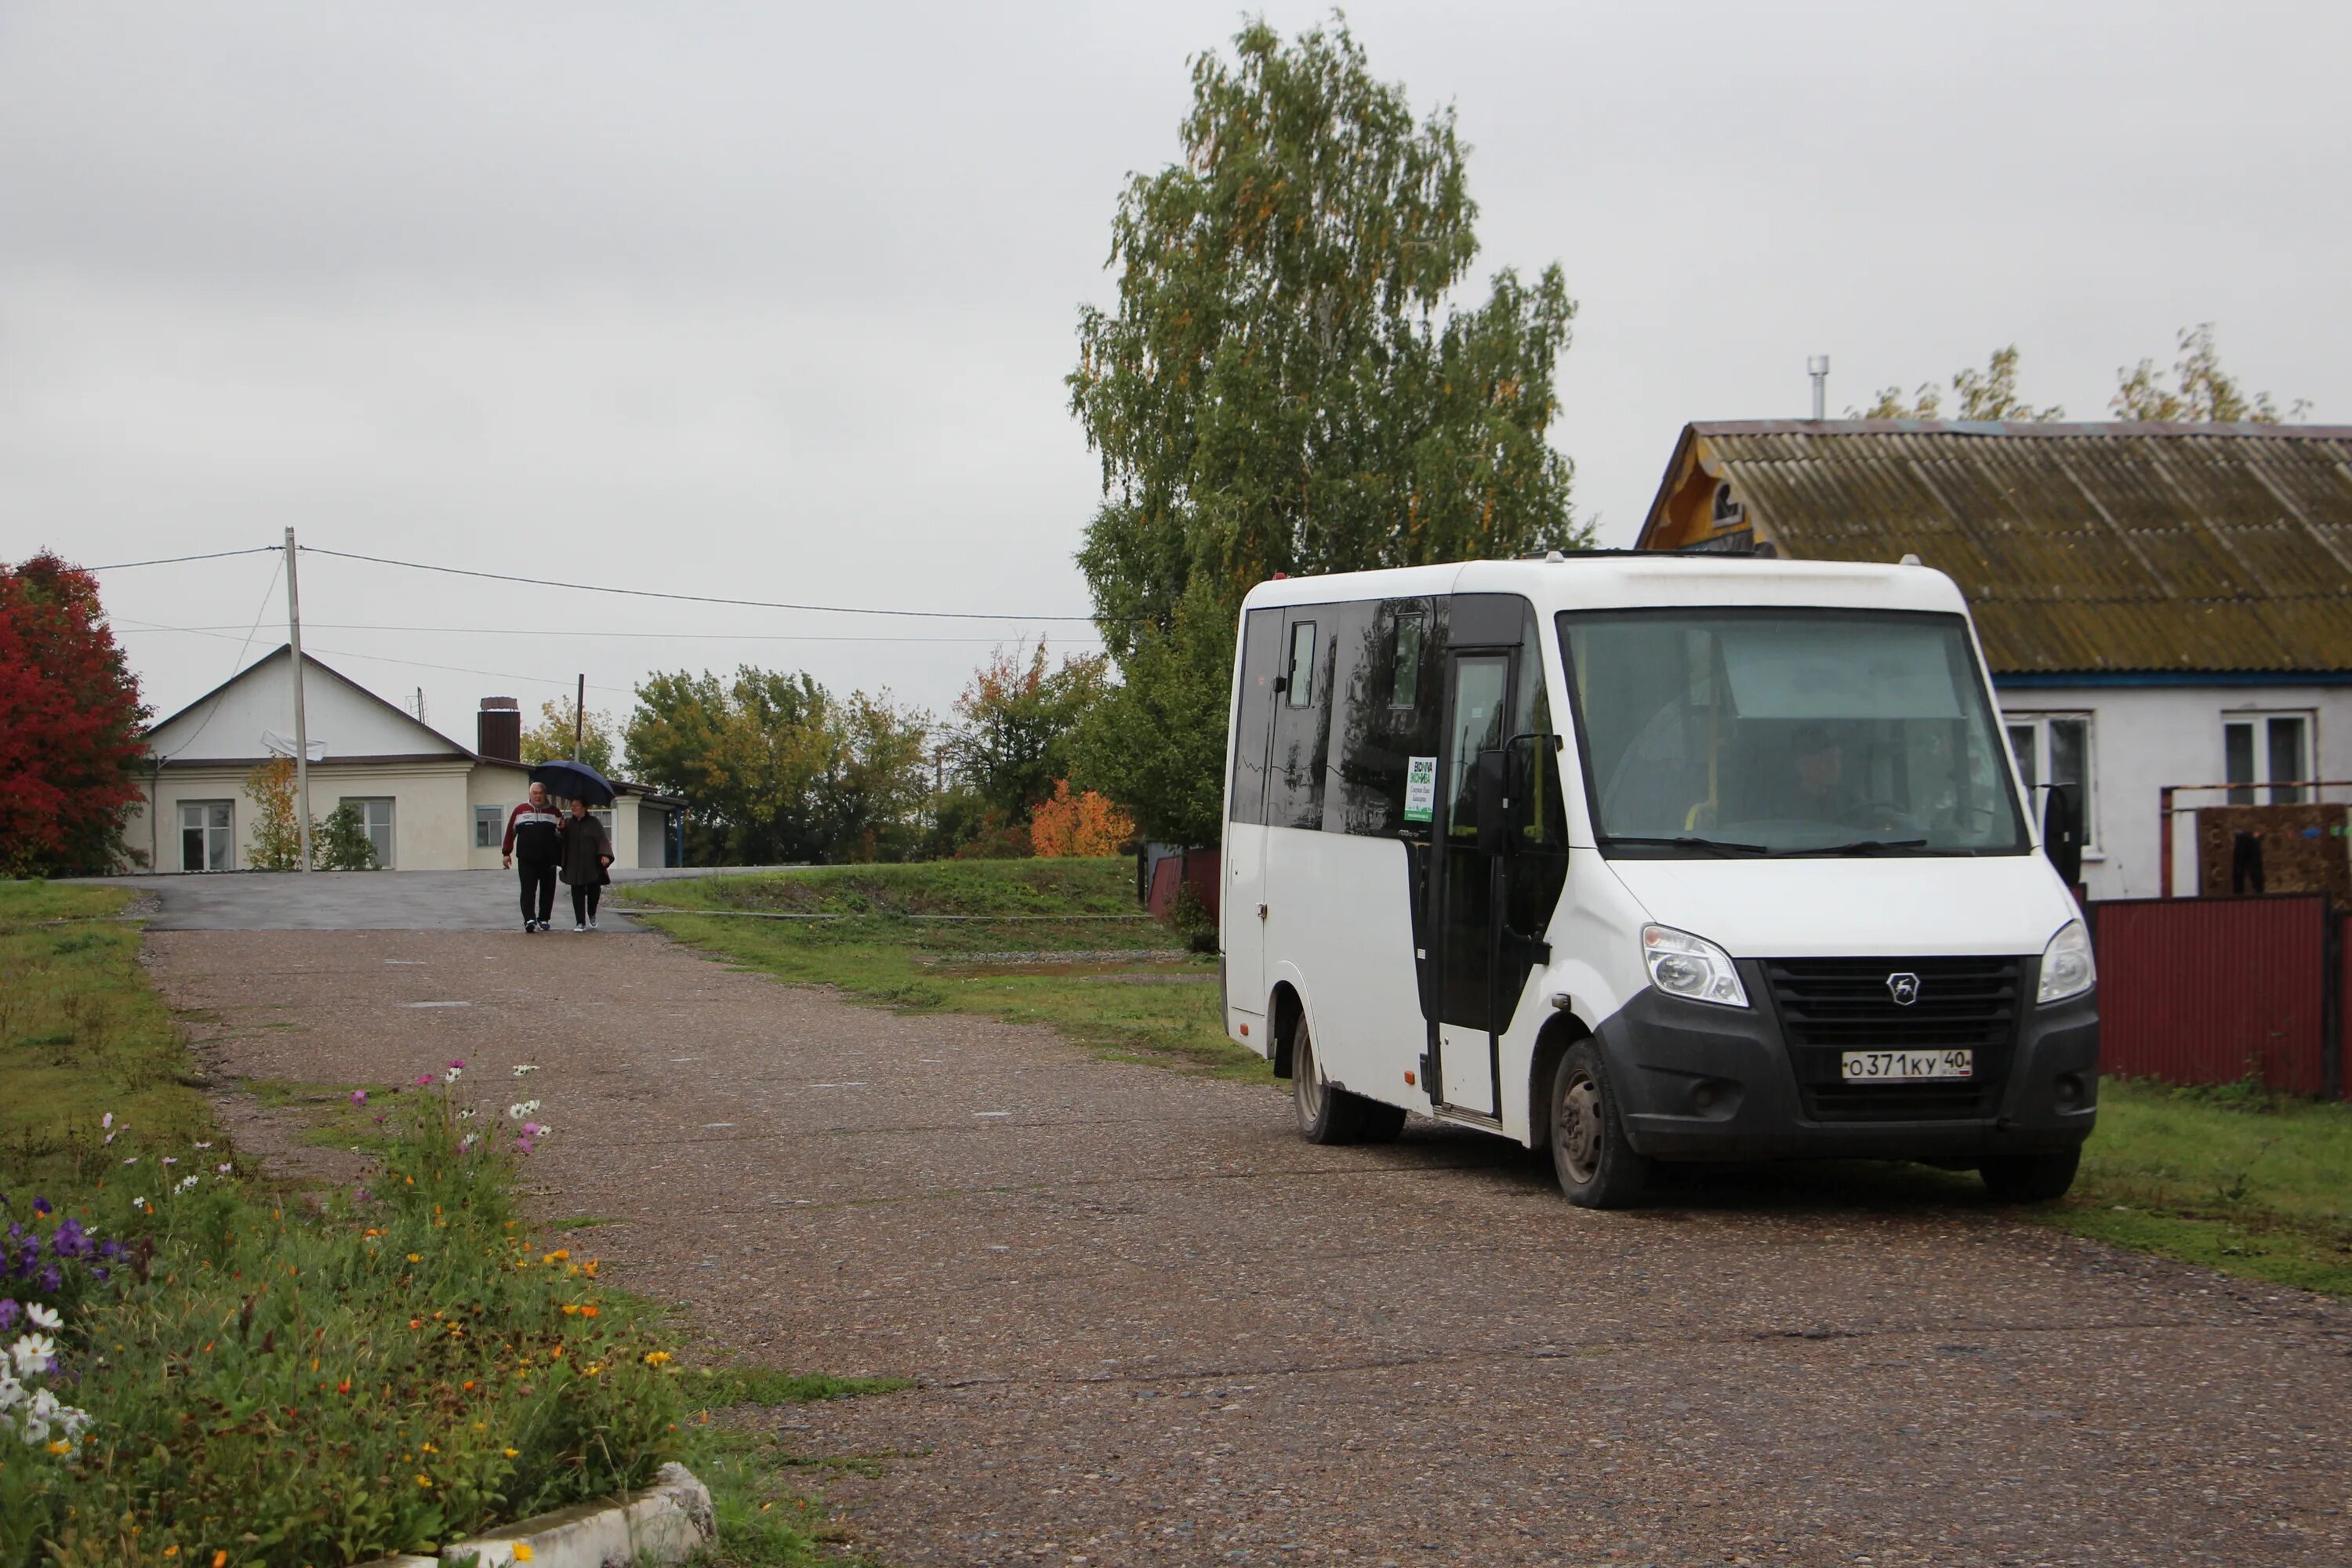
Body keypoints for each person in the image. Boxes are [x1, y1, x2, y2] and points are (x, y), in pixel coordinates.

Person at [502, 782, 564, 932]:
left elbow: (563, 836)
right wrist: (506, 853)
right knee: (528, 890)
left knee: (548, 891)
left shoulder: (554, 812)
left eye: (540, 793)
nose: (538, 796)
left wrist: (563, 829)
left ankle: (543, 919)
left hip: (548, 859)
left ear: (545, 794)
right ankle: (529, 919)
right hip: (526, 859)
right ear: (530, 795)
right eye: (535, 793)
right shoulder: (520, 811)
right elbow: (511, 832)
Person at [559, 797, 614, 931]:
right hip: (573, 864)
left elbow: (603, 839)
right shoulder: (568, 823)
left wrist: (605, 855)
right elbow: (560, 840)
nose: (573, 808)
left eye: (577, 805)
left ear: (584, 807)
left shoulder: (594, 823)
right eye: (572, 805)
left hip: (591, 864)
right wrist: (560, 829)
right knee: (577, 892)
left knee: (594, 891)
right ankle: (580, 922)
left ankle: (592, 913)